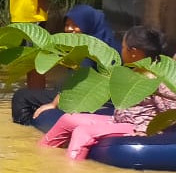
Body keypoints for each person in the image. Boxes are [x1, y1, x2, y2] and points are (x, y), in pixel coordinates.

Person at [39, 26, 176, 160]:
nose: (121, 50)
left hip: (136, 127)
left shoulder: (157, 78)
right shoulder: (132, 71)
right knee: (68, 119)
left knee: (82, 132)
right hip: (117, 120)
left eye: (123, 47)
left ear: (134, 52)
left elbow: (171, 111)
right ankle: (40, 156)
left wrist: (148, 131)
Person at [10, 4, 120, 131]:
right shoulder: (111, 43)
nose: (70, 29)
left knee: (21, 97)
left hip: (95, 100)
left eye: (75, 25)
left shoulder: (91, 49)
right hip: (94, 97)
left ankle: (31, 127)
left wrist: (53, 105)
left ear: (88, 24)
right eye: (67, 25)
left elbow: (79, 85)